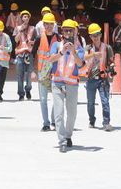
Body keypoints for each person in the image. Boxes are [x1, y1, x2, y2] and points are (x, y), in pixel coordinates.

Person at [49, 20, 84, 153]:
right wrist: (62, 52)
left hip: (72, 84)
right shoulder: (56, 45)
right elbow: (50, 59)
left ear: (75, 32)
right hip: (57, 83)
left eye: (70, 30)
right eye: (65, 30)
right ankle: (62, 140)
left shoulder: (79, 48)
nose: (68, 33)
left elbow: (80, 64)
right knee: (58, 113)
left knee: (72, 113)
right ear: (62, 32)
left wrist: (74, 52)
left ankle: (68, 135)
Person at [83, 23, 115, 131]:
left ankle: (106, 122)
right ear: (90, 37)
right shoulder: (88, 47)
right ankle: (91, 120)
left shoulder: (107, 48)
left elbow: (111, 61)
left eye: (97, 34)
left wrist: (112, 67)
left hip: (103, 78)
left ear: (100, 35)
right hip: (91, 78)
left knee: (105, 101)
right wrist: (93, 54)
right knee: (90, 103)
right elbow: (85, 58)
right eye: (93, 35)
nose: (95, 37)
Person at [31, 12, 58, 132]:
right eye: (46, 24)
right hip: (42, 71)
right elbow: (32, 55)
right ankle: (46, 123)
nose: (48, 26)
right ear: (43, 25)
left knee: (57, 97)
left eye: (50, 24)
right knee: (43, 98)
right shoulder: (38, 38)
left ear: (54, 25)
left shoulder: (59, 37)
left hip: (55, 71)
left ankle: (53, 120)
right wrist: (33, 71)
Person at [14, 10, 35, 101]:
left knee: (29, 74)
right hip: (20, 54)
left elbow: (36, 42)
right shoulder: (17, 28)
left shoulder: (32, 28)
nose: (26, 18)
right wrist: (21, 30)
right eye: (24, 17)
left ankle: (28, 90)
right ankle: (21, 93)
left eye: (27, 17)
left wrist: (32, 42)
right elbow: (15, 40)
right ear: (21, 18)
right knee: (20, 75)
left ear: (29, 18)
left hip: (29, 54)